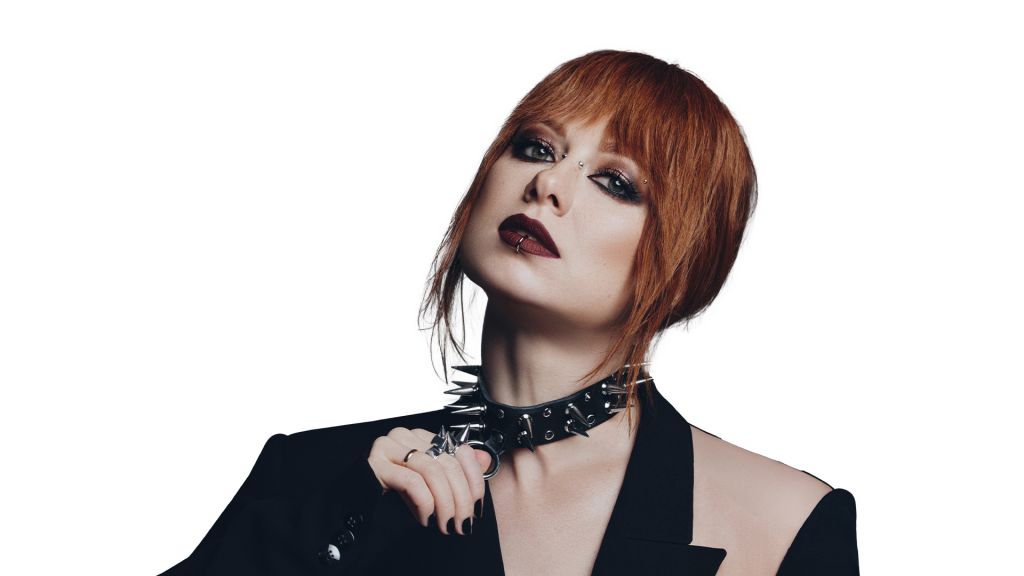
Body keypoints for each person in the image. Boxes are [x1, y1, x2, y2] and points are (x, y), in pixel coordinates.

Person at [160, 49, 859, 576]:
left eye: (615, 182)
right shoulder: (314, 478)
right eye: (535, 147)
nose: (547, 182)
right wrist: (343, 526)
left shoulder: (786, 524)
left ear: (686, 264)